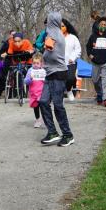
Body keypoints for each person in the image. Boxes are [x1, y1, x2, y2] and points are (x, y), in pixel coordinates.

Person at [39, 11, 74, 147]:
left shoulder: (54, 34)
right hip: (50, 73)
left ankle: (68, 135)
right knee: (43, 101)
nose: (46, 23)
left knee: (58, 105)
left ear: (52, 21)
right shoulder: (52, 33)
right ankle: (52, 132)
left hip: (58, 73)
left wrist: (40, 48)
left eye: (48, 20)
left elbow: (48, 48)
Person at [86, 16, 106, 107]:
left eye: (105, 24)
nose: (103, 26)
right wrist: (90, 55)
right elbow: (88, 47)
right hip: (95, 62)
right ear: (98, 25)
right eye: (101, 24)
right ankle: (100, 94)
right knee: (95, 81)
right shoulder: (93, 36)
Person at [62, 19, 82, 100]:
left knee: (70, 78)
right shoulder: (56, 38)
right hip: (59, 63)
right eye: (59, 26)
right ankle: (59, 94)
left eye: (63, 26)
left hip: (71, 63)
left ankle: (69, 90)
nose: (61, 28)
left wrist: (72, 58)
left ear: (67, 27)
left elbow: (78, 50)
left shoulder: (73, 38)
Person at [24, 54, 46, 128]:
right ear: (32, 63)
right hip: (33, 93)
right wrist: (30, 78)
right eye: (34, 63)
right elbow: (26, 81)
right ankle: (37, 120)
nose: (36, 65)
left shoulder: (43, 71)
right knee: (36, 107)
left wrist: (45, 79)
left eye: (37, 63)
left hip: (42, 92)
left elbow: (47, 81)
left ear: (41, 64)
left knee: (43, 106)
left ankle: (45, 119)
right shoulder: (30, 70)